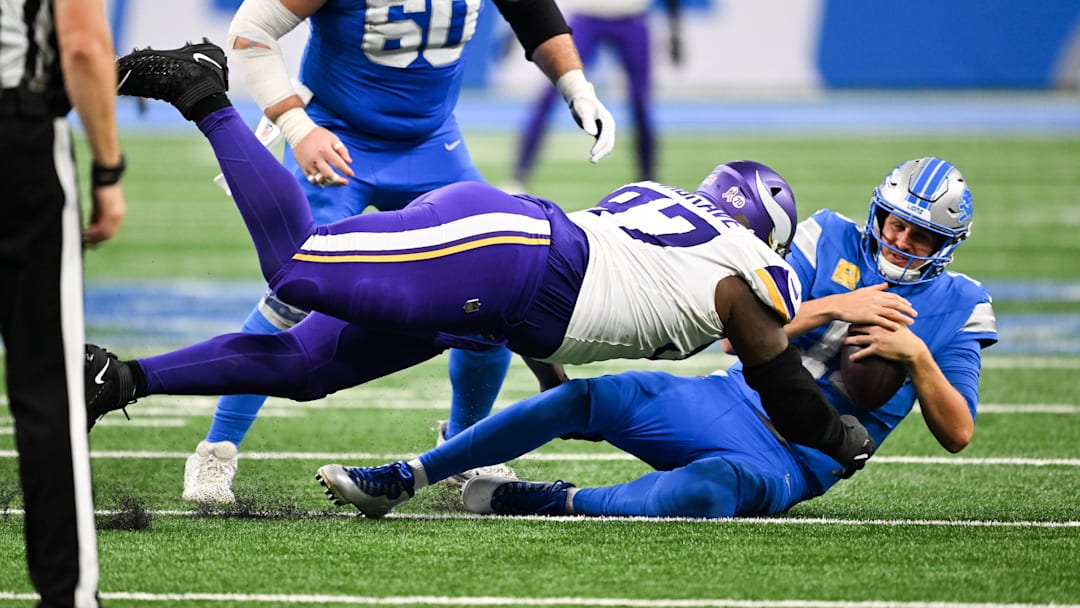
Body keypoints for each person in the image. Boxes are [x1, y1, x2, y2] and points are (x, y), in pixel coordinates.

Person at [85, 43, 874, 491]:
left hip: (507, 275)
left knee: (303, 368)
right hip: (507, 260)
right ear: (764, 234)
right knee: (297, 270)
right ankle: (202, 89)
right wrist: (840, 436)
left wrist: (550, 374)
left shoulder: (668, 212)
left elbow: (600, 284)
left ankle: (117, 380)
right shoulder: (746, 267)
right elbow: (783, 386)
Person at [316, 157, 997, 519]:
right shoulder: (828, 235)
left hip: (801, 460)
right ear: (879, 213)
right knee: (592, 400)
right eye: (896, 224)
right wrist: (831, 306)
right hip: (733, 398)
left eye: (922, 235)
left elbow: (958, 432)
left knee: (708, 492)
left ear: (948, 245)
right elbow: (742, 340)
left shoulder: (960, 305)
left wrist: (918, 361)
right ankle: (407, 476)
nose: (902, 241)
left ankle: (553, 500)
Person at [180, 0, 619, 505]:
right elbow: (252, 29)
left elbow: (534, 15)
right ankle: (217, 450)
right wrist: (298, 128)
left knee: (493, 282)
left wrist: (577, 87)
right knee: (296, 295)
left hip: (432, 142)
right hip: (336, 136)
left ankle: (463, 444)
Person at [1, 0, 127, 604]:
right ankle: (67, 594)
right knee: (47, 386)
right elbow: (81, 44)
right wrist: (107, 168)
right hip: (15, 137)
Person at [509, 0, 680, 191]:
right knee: (551, 93)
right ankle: (519, 176)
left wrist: (675, 28)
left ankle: (649, 181)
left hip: (632, 16)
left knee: (640, 102)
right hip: (587, 15)